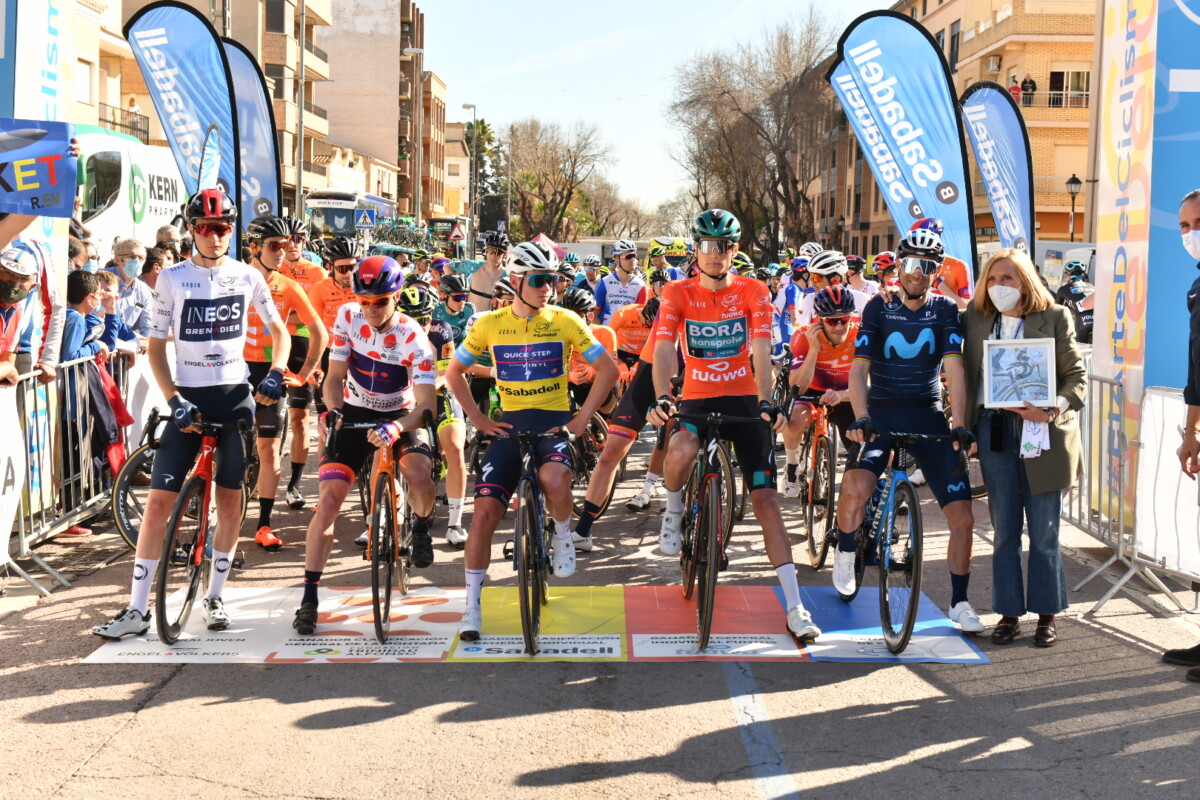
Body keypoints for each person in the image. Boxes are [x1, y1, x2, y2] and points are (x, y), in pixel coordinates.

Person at [91, 188, 290, 638]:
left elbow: (279, 332)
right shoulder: (172, 278)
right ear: (193, 230)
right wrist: (173, 398)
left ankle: (215, 596)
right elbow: (158, 345)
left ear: (231, 231)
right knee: (159, 503)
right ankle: (136, 609)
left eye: (222, 228)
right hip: (189, 398)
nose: (214, 236)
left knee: (230, 500)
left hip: (234, 398)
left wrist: (277, 372)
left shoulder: (247, 276)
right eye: (205, 228)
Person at [647, 208, 821, 642]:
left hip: (743, 398)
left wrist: (765, 401)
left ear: (734, 249)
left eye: (723, 246)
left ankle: (795, 606)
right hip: (697, 397)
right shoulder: (677, 291)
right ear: (695, 248)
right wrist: (663, 395)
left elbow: (761, 347)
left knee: (766, 503)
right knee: (680, 450)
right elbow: (664, 348)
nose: (715, 254)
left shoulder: (753, 289)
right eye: (707, 245)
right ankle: (673, 512)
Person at [446, 242, 619, 641]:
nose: (548, 288)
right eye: (540, 280)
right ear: (517, 280)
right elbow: (454, 372)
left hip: (553, 423)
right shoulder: (488, 324)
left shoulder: (565, 320)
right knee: (484, 514)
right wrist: (478, 419)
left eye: (553, 280)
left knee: (554, 479)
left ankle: (562, 535)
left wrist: (581, 419)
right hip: (508, 425)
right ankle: (472, 606)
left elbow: (608, 370)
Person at [834, 227, 984, 633]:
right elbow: (859, 369)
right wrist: (861, 416)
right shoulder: (878, 307)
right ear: (898, 267)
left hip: (927, 415)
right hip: (882, 412)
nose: (919, 273)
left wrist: (959, 424)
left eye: (928, 266)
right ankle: (845, 551)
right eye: (912, 264)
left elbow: (954, 367)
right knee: (856, 487)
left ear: (937, 271)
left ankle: (960, 602)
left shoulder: (944, 309)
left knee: (963, 518)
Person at [292, 257, 439, 635]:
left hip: (402, 414)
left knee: (419, 474)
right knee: (327, 502)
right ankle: (308, 598)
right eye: (364, 301)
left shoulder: (414, 338)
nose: (371, 309)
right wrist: (332, 412)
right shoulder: (347, 317)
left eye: (381, 301)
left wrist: (397, 426)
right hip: (355, 411)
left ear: (396, 298)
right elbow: (335, 377)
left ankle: (421, 525)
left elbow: (427, 408)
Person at [961, 248, 1086, 647]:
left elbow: (1077, 378)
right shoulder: (976, 318)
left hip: (1041, 431)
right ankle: (1008, 613)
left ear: (1025, 281)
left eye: (1008, 278)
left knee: (1045, 532)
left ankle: (1047, 615)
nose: (999, 285)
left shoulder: (1054, 317)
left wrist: (1051, 409)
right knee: (1004, 531)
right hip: (994, 431)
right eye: (992, 279)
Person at [242, 215, 328, 550]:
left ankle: (263, 524)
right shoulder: (233, 279)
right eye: (275, 245)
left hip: (270, 373)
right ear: (254, 247)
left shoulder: (288, 286)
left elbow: (319, 332)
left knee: (268, 448)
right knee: (220, 444)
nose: (282, 251)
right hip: (233, 371)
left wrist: (304, 373)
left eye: (286, 244)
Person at [780, 286, 860, 497]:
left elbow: (872, 384)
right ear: (819, 319)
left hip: (847, 393)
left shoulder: (861, 335)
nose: (840, 326)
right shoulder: (803, 335)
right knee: (794, 420)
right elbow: (797, 386)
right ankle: (792, 464)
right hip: (812, 391)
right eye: (832, 321)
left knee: (865, 442)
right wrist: (814, 349)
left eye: (844, 319)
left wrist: (842, 395)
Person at [1166, 188, 1200, 681]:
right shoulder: (1196, 286)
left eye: (1198, 223)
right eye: (1185, 226)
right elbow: (1197, 371)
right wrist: (1191, 431)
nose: (1191, 234)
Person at [278, 217, 330, 510]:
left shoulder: (318, 273)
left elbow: (316, 316)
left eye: (297, 238)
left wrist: (287, 313)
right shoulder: (268, 267)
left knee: (299, 418)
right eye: (286, 239)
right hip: (270, 345)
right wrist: (298, 313)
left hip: (303, 344)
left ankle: (295, 485)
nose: (291, 244)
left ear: (305, 240)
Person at [795, 250, 871, 327]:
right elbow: (799, 330)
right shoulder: (809, 300)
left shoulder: (863, 300)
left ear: (835, 279)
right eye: (811, 277)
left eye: (816, 278)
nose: (812, 282)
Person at [0, 248, 40, 386]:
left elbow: (6, 360)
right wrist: (8, 370)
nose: (15, 282)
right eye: (9, 273)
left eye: (24, 278)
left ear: (32, 286)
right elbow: (7, 366)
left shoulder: (17, 312)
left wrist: (7, 369)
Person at [107, 238, 153, 340]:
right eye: (132, 256)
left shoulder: (144, 291)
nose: (137, 261)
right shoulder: (101, 280)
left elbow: (147, 328)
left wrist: (146, 342)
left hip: (128, 343)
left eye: (141, 258)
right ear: (117, 259)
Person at [595, 240, 648, 325]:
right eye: (628, 256)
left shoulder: (641, 286)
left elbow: (642, 318)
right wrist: (601, 331)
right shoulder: (604, 282)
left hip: (629, 331)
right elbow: (594, 315)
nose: (633, 259)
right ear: (617, 259)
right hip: (607, 329)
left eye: (634, 256)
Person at [452, 231, 509, 305]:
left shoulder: (507, 276)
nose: (493, 256)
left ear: (505, 254)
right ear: (486, 251)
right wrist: (454, 290)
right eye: (491, 251)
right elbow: (447, 266)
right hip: (471, 312)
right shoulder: (473, 266)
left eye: (499, 252)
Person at [1054, 260, 1095, 344]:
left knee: (1081, 347)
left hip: (1082, 321)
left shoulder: (1063, 289)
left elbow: (1056, 311)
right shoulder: (1091, 286)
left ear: (1068, 275)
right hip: (1097, 319)